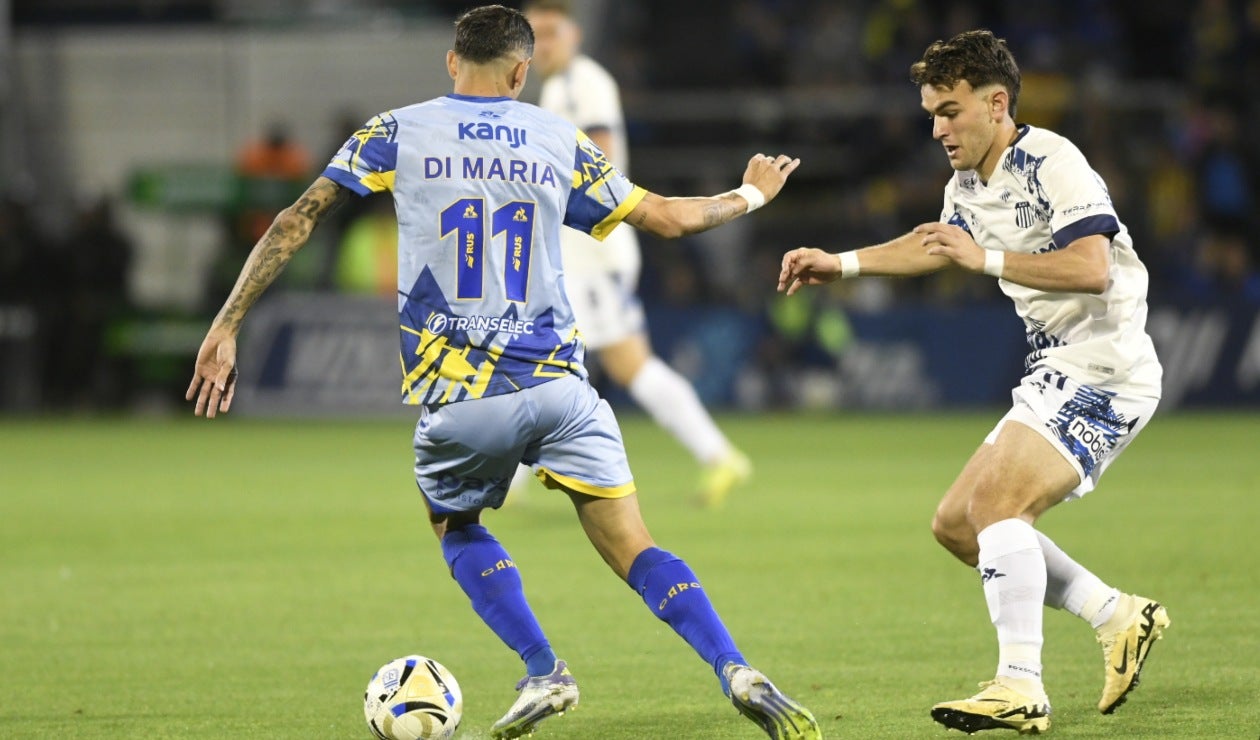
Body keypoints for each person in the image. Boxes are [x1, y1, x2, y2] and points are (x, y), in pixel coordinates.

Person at [186, 6, 820, 740]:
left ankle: (544, 668)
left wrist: (227, 324)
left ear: (452, 62)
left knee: (454, 523)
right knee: (637, 546)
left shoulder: (396, 130)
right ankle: (734, 665)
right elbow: (674, 219)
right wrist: (752, 195)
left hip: (464, 399)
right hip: (561, 390)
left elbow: (298, 217)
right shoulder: (556, 137)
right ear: (523, 73)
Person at [778, 29, 1169, 736]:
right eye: (932, 113)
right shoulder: (967, 182)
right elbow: (936, 243)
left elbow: (1092, 269)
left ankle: (1020, 684)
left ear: (997, 103)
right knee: (959, 526)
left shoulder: (1054, 161)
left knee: (994, 508)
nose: (938, 129)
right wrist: (840, 264)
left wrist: (985, 257)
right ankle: (1118, 614)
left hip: (1108, 367)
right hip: (1055, 369)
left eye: (950, 111)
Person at [518, 0, 752, 507]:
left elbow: (599, 156)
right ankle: (520, 475)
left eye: (552, 32)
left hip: (593, 250)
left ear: (575, 34)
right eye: (535, 35)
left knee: (614, 366)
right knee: (570, 360)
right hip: (578, 250)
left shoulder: (584, 83)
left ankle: (720, 455)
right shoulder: (559, 88)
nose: (545, 44)